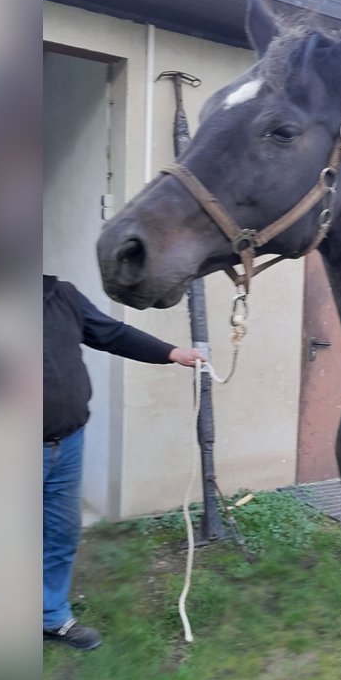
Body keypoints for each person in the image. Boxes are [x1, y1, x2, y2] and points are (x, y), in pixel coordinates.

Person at [43, 274, 202, 650]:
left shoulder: (60, 294)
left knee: (60, 536)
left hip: (67, 443)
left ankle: (51, 617)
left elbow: (111, 332)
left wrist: (171, 352)